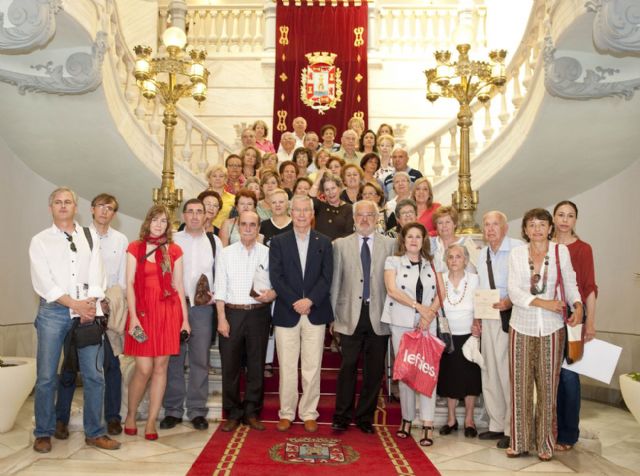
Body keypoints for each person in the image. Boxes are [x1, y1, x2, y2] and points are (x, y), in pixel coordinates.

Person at [29, 187, 120, 453]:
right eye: (58, 202)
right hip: (53, 312)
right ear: (51, 208)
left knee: (95, 375)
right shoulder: (40, 241)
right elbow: (43, 281)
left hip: (88, 312)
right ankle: (43, 432)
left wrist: (89, 304)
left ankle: (95, 432)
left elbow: (98, 274)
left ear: (76, 207)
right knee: (46, 376)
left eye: (68, 202)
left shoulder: (89, 236)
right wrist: (74, 304)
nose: (63, 206)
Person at [507, 208, 583, 461]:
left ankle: (545, 443)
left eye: (542, 224)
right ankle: (519, 442)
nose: (537, 229)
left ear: (550, 228)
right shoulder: (517, 254)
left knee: (549, 389)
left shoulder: (561, 252)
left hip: (552, 330)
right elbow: (515, 292)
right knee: (521, 387)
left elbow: (571, 285)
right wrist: (545, 303)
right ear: (525, 230)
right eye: (532, 224)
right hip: (521, 327)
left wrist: (579, 306)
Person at [55, 193, 128, 439]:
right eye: (100, 206)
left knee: (111, 364)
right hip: (78, 308)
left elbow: (121, 277)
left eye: (110, 208)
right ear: (92, 209)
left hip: (108, 310)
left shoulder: (121, 239)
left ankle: (113, 418)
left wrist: (109, 303)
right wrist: (84, 304)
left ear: (114, 214)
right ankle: (61, 420)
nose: (105, 211)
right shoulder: (79, 234)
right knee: (69, 365)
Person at [123, 205, 190, 441]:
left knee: (161, 368)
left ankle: (151, 420)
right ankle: (131, 414)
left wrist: (185, 320)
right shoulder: (135, 248)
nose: (159, 224)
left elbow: (178, 286)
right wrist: (132, 318)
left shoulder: (175, 250)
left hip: (167, 314)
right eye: (155, 219)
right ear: (147, 222)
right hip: (141, 314)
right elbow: (129, 284)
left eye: (163, 221)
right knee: (144, 369)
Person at [269, 195, 334, 433]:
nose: (302, 214)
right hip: (288, 311)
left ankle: (308, 412)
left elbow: (327, 277)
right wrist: (295, 301)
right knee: (286, 366)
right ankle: (286, 412)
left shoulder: (325, 242)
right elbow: (276, 277)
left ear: (312, 214)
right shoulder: (278, 241)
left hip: (315, 312)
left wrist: (310, 300)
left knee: (312, 366)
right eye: (297, 210)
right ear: (291, 212)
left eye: (306, 210)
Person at [331, 201, 395, 434]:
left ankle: (365, 417)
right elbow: (335, 281)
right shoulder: (340, 245)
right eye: (361, 215)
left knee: (374, 370)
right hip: (349, 315)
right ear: (354, 217)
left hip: (379, 316)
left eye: (370, 215)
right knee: (347, 367)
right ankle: (342, 415)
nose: (365, 219)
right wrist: (332, 317)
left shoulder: (390, 244)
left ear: (377, 218)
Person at [160, 199, 221, 432]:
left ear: (206, 216)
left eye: (200, 212)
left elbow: (220, 274)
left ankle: (197, 410)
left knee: (200, 359)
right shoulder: (172, 240)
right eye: (191, 212)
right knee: (174, 359)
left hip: (202, 308)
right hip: (175, 306)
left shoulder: (215, 242)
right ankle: (173, 410)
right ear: (183, 215)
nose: (195, 216)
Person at [215, 211, 277, 432]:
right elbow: (219, 287)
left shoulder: (269, 253)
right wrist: (221, 319)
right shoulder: (226, 253)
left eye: (253, 224)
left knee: (256, 365)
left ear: (259, 228)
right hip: (232, 313)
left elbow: (276, 283)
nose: (248, 228)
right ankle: (232, 412)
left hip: (259, 314)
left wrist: (272, 294)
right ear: (238, 227)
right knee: (230, 366)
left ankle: (251, 412)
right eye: (244, 224)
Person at [382, 222, 440, 447]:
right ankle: (407, 418)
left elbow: (440, 292)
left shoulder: (433, 263)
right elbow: (392, 290)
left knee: (427, 373)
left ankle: (427, 423)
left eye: (418, 236)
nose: (414, 240)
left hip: (428, 323)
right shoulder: (393, 261)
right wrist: (419, 307)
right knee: (406, 373)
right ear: (403, 240)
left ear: (424, 240)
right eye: (410, 237)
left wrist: (428, 314)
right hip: (402, 323)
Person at [475, 211, 524, 449]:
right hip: (488, 316)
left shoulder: (518, 248)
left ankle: (511, 427)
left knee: (507, 374)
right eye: (487, 225)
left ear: (505, 228)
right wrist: (477, 316)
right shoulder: (482, 253)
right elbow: (480, 286)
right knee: (490, 370)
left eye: (495, 224)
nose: (491, 229)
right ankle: (495, 424)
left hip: (509, 316)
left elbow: (527, 283)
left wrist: (510, 300)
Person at [552, 200, 597, 452]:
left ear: (575, 220)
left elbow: (590, 287)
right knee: (550, 377)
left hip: (573, 317)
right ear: (553, 218)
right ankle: (550, 427)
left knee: (569, 376)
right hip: (546, 315)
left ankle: (568, 434)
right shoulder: (544, 246)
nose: (565, 220)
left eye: (570, 216)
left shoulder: (583, 249)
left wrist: (590, 321)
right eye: (560, 215)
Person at [437, 244, 482, 438]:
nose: (454, 260)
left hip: (469, 336)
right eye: (451, 257)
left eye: (458, 257)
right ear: (446, 261)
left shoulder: (475, 280)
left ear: (466, 260)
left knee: (471, 379)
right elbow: (436, 306)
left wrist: (477, 323)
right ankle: (451, 419)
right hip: (447, 336)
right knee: (449, 379)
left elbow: (481, 305)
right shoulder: (441, 280)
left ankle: (470, 420)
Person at [309, 172, 354, 241]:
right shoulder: (320, 206)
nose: (331, 192)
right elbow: (310, 198)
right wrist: (319, 178)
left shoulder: (349, 208)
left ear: (339, 188)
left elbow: (349, 233)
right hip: (320, 248)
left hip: (340, 249)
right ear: (323, 192)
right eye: (327, 190)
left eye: (333, 188)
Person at [431, 206, 477, 273]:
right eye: (440, 223)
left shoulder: (466, 243)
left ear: (455, 224)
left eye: (447, 222)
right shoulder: (430, 243)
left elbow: (477, 269)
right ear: (436, 226)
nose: (444, 226)